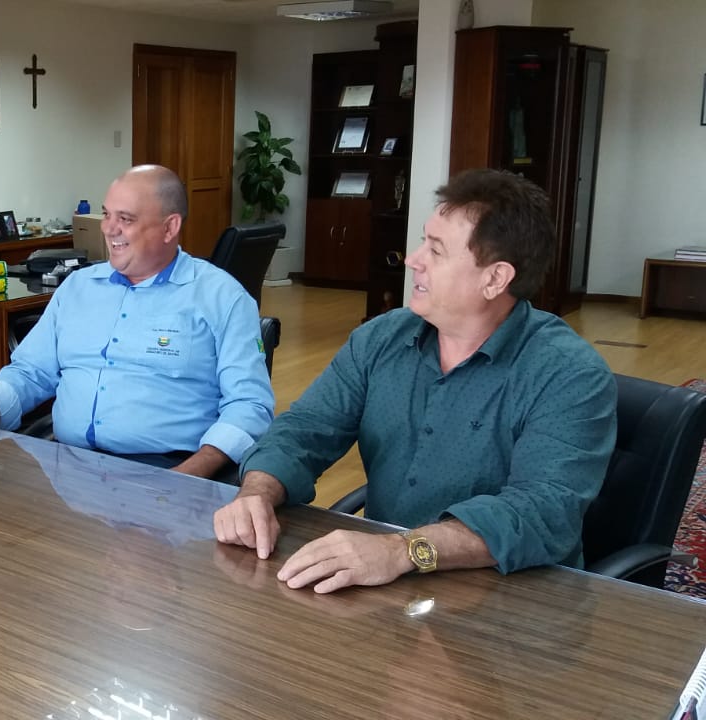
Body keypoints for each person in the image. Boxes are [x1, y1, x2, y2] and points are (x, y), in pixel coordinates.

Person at [214, 168, 617, 592]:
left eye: (436, 250)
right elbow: (304, 429)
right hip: (387, 585)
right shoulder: (381, 338)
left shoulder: (568, 374)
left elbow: (542, 511)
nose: (413, 259)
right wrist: (257, 492)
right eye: (423, 241)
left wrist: (403, 551)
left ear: (495, 278)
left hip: (512, 597)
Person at [0, 164, 274, 480]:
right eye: (107, 214)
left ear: (170, 227)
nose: (108, 228)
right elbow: (31, 372)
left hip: (167, 469)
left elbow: (249, 404)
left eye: (125, 219)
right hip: (67, 471)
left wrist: (188, 476)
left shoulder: (222, 297)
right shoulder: (77, 288)